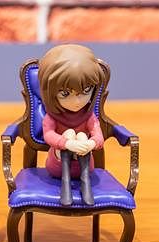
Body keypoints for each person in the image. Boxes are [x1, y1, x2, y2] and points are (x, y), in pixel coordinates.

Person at [38, 44, 106, 206]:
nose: (77, 101)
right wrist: (68, 143)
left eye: (86, 91)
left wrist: (90, 143)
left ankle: (85, 182)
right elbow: (48, 135)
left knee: (82, 135)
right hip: (57, 165)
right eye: (65, 93)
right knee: (69, 133)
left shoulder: (88, 116)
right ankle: (65, 183)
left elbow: (98, 136)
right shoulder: (52, 116)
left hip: (85, 163)